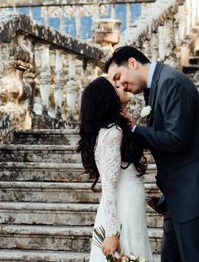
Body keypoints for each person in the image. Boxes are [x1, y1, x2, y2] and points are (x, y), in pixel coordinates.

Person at [106, 46, 199, 262]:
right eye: (115, 83)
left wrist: (135, 130)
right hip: (178, 197)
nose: (120, 85)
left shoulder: (170, 83)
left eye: (118, 77)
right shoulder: (157, 85)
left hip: (196, 191)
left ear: (132, 63)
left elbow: (176, 139)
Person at [78, 76, 154, 261]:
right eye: (115, 86)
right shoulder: (113, 133)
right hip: (122, 210)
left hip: (130, 206)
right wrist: (112, 233)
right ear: (107, 97)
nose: (121, 85)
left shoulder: (116, 129)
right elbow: (109, 186)